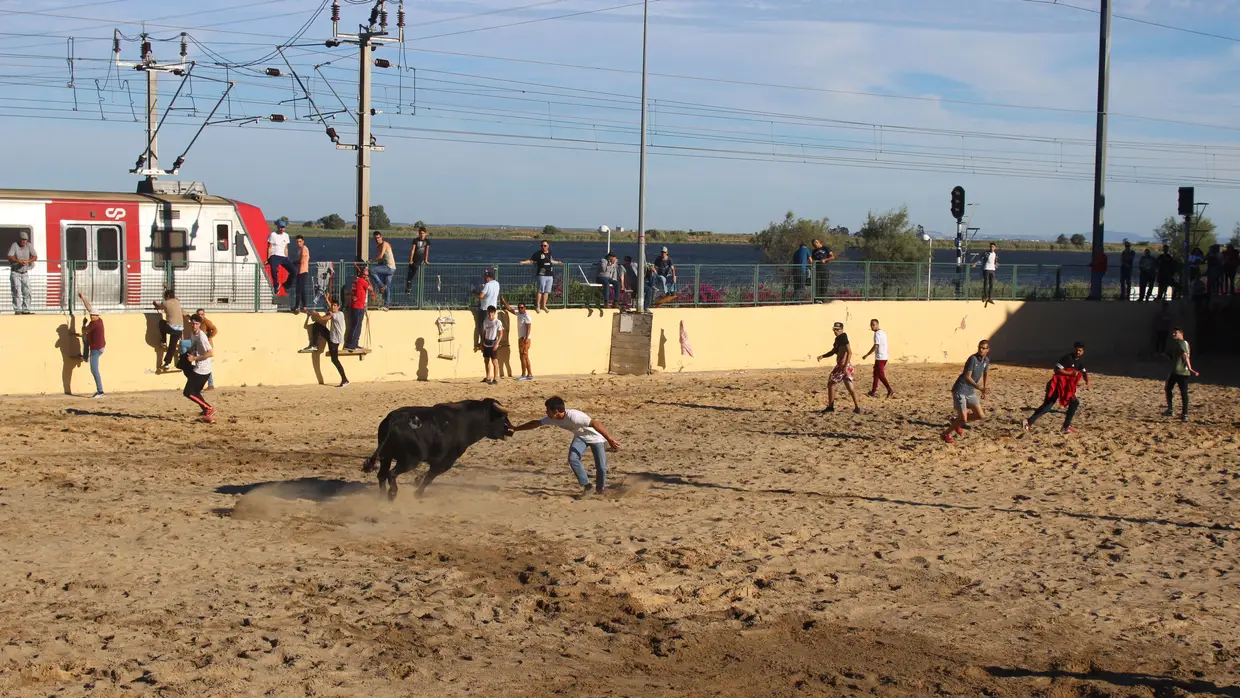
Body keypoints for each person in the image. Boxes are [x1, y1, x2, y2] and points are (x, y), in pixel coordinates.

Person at [512, 396, 621, 498]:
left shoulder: (575, 417)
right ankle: (588, 487)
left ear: (556, 411)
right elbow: (535, 423)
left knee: (601, 467)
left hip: (596, 438)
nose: (546, 412)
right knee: (573, 459)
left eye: (547, 410)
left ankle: (601, 489)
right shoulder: (553, 418)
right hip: (580, 438)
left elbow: (596, 424)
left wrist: (610, 439)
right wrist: (516, 429)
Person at [1022, 341, 1091, 435]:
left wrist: (1087, 381)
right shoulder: (1067, 358)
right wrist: (1070, 373)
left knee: (1074, 402)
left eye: (1080, 350)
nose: (1078, 352)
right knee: (1047, 406)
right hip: (1056, 385)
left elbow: (1084, 372)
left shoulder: (1080, 362)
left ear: (1083, 352)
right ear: (1074, 350)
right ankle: (1028, 422)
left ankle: (1066, 426)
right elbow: (1056, 369)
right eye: (1076, 350)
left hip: (1065, 388)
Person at [942, 339, 990, 444]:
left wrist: (984, 389)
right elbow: (967, 377)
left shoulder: (986, 360)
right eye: (979, 347)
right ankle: (945, 433)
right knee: (963, 419)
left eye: (983, 348)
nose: (981, 350)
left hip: (970, 391)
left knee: (980, 415)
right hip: (961, 389)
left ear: (988, 350)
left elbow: (985, 373)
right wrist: (979, 388)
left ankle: (955, 421)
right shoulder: (972, 359)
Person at [817, 321, 860, 414]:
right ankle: (857, 407)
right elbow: (833, 351)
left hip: (843, 366)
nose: (835, 331)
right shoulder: (838, 339)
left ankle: (831, 407)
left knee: (832, 384)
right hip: (842, 366)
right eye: (834, 329)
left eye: (837, 329)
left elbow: (850, 352)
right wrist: (823, 356)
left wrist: (844, 366)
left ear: (841, 330)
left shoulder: (843, 337)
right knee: (845, 386)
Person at [307, 299, 349, 388]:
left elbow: (322, 319)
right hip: (331, 336)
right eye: (332, 305)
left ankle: (344, 379)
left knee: (335, 360)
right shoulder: (339, 313)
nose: (333, 307)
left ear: (338, 307)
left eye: (335, 306)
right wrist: (326, 299)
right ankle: (314, 344)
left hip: (334, 341)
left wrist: (315, 313)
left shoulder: (336, 315)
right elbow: (331, 310)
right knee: (317, 326)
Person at [183, 315, 216, 424]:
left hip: (203, 369)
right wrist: (190, 353)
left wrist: (195, 358)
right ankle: (207, 413)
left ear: (199, 325)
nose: (194, 325)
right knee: (195, 392)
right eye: (192, 323)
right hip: (199, 368)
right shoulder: (193, 334)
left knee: (188, 392)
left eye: (196, 324)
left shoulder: (202, 336)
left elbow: (210, 353)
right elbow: (195, 347)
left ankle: (208, 408)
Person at [1163, 327, 1198, 422]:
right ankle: (1170, 409)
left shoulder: (1183, 343)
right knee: (1168, 388)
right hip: (1175, 371)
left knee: (1183, 392)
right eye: (1173, 333)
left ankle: (1185, 414)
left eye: (1176, 333)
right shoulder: (1175, 343)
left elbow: (1185, 356)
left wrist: (1190, 368)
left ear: (1181, 334)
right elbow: (1171, 356)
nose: (1173, 334)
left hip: (1182, 372)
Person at [75, 292, 105, 398]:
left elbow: (84, 330)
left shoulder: (94, 324)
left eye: (93, 315)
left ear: (97, 316)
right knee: (85, 339)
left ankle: (100, 391)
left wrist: (83, 323)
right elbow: (89, 307)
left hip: (96, 349)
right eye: (91, 315)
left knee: (94, 370)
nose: (92, 316)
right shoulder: (99, 320)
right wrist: (83, 298)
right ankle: (84, 356)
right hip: (100, 346)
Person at [519, 240, 560, 313]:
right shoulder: (538, 254)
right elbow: (531, 261)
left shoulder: (550, 253)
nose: (543, 247)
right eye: (542, 246)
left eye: (545, 245)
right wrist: (523, 262)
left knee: (547, 291)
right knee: (540, 291)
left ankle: (544, 306)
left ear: (548, 246)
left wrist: (558, 262)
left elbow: (551, 260)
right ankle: (537, 306)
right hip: (541, 275)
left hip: (549, 275)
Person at [7, 230, 37, 314]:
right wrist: (18, 261)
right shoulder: (14, 245)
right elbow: (10, 256)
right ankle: (17, 310)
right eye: (22, 239)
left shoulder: (29, 246)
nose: (24, 241)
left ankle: (26, 309)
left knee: (27, 291)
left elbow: (35, 256)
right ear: (19, 239)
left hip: (25, 272)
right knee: (16, 291)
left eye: (25, 239)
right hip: (15, 272)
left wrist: (28, 261)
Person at [861, 318, 892, 398]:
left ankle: (890, 390)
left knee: (880, 375)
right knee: (876, 374)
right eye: (871, 325)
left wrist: (867, 355)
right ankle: (873, 391)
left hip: (880, 357)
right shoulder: (883, 333)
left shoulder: (877, 334)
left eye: (874, 325)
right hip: (884, 357)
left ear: (877, 324)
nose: (872, 326)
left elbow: (876, 345)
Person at [153, 289, 184, 371]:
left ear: (167, 296)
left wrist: (155, 303)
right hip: (180, 329)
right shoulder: (177, 301)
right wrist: (167, 288)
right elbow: (174, 297)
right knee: (172, 346)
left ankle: (163, 341)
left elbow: (158, 307)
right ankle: (167, 363)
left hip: (171, 328)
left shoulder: (165, 303)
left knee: (162, 323)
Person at [344, 264, 373, 352]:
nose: (366, 276)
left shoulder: (355, 280)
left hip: (354, 306)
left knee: (353, 325)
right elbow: (371, 288)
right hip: (359, 306)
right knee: (357, 326)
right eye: (366, 275)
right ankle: (353, 344)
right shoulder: (362, 281)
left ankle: (351, 343)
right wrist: (368, 280)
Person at [504, 299, 534, 380]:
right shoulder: (519, 314)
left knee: (523, 357)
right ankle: (529, 374)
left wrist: (526, 338)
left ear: (525, 308)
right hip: (521, 338)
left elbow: (529, 327)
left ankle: (524, 374)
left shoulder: (526, 316)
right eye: (519, 308)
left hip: (524, 338)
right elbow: (509, 309)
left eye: (522, 307)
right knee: (525, 357)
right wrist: (504, 301)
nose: (520, 309)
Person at [368, 231, 396, 308]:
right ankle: (387, 305)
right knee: (388, 287)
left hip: (389, 267)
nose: (377, 239)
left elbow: (380, 256)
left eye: (378, 237)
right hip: (389, 268)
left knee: (372, 270)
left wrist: (371, 260)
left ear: (381, 237)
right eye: (375, 238)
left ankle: (381, 285)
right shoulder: (378, 247)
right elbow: (380, 261)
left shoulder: (385, 244)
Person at [476, 305, 503, 385]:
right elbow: (484, 332)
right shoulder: (486, 321)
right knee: (486, 360)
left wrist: (497, 343)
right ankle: (488, 377)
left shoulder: (497, 322)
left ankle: (495, 378)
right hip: (486, 343)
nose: (490, 314)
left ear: (494, 313)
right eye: (489, 312)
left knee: (494, 361)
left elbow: (501, 333)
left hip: (493, 343)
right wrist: (481, 343)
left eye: (491, 312)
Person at [474, 268, 500, 347]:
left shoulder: (487, 285)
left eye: (485, 277)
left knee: (481, 325)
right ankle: (492, 340)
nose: (484, 278)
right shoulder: (497, 284)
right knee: (492, 325)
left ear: (488, 278)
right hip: (493, 308)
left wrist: (475, 292)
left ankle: (483, 342)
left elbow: (481, 296)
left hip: (485, 308)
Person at [266, 221, 294, 293]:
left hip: (283, 257)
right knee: (274, 270)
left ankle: (286, 285)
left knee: (294, 270)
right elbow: (269, 247)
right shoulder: (273, 235)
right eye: (280, 227)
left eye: (283, 227)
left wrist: (287, 258)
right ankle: (276, 285)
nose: (282, 229)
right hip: (274, 255)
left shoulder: (286, 235)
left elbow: (286, 248)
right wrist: (268, 259)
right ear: (278, 227)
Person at [404, 225, 431, 299]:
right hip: (415, 259)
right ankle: (408, 288)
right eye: (421, 233)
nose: (422, 235)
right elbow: (412, 250)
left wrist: (426, 260)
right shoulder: (415, 240)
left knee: (414, 270)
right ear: (419, 234)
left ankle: (409, 286)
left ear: (425, 233)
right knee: (410, 273)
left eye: (423, 233)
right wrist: (411, 259)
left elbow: (427, 251)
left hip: (421, 259)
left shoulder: (427, 241)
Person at [196, 308, 218, 390]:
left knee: (206, 364)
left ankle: (210, 384)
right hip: (200, 346)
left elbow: (215, 329)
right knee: (201, 364)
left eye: (202, 314)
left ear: (204, 314)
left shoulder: (206, 322)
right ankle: (207, 384)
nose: (200, 316)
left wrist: (209, 337)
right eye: (199, 314)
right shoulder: (197, 322)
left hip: (207, 346)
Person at [291, 235, 311, 313]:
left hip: (303, 271)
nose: (298, 243)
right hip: (299, 271)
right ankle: (304, 307)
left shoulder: (304, 249)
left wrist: (295, 262)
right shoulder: (299, 249)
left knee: (298, 289)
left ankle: (297, 307)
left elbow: (302, 260)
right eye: (297, 242)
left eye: (300, 241)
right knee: (302, 290)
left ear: (303, 241)